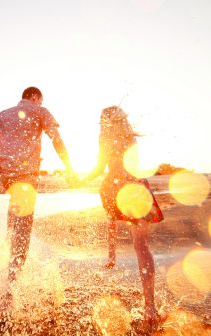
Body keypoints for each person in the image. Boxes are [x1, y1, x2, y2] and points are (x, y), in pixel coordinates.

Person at [0, 87, 76, 283]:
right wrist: (69, 167)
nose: (40, 104)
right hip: (25, 173)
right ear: (35, 97)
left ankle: (8, 247)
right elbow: (56, 140)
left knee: (15, 209)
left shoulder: (1, 115)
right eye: (40, 101)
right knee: (24, 227)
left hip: (4, 173)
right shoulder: (40, 111)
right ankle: (12, 286)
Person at [81, 105, 163, 331]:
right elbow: (134, 166)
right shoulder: (131, 138)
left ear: (105, 121)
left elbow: (99, 168)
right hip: (136, 187)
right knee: (141, 246)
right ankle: (150, 307)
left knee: (112, 217)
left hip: (114, 186)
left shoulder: (104, 136)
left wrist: (80, 179)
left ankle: (112, 254)